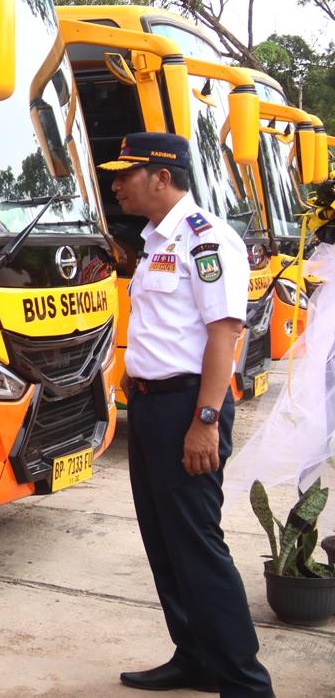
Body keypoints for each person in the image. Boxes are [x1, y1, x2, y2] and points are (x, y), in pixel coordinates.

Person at [99, 133, 273, 697]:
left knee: (197, 544)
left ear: (162, 175)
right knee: (163, 540)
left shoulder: (207, 239)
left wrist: (205, 418)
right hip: (150, 405)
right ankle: (194, 655)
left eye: (127, 173)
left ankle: (245, 682)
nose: (116, 183)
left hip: (187, 408)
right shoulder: (155, 239)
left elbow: (226, 332)